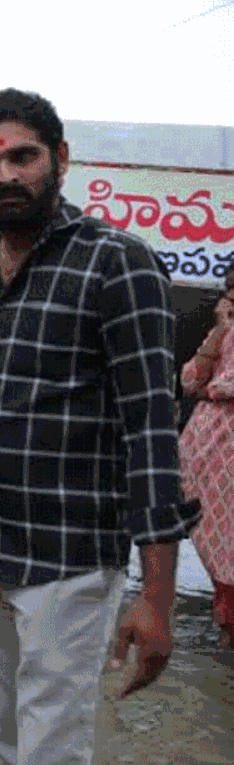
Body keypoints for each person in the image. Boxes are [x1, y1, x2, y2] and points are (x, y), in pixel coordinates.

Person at [0, 88, 201, 765]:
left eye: (22, 156)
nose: (5, 175)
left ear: (60, 159)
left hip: (71, 555)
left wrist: (157, 597)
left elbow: (150, 431)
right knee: (11, 736)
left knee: (53, 753)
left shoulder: (117, 263)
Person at [180, 274, 234, 647]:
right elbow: (189, 380)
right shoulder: (225, 334)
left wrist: (213, 388)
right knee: (214, 542)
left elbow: (214, 384)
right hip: (208, 459)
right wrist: (219, 331)